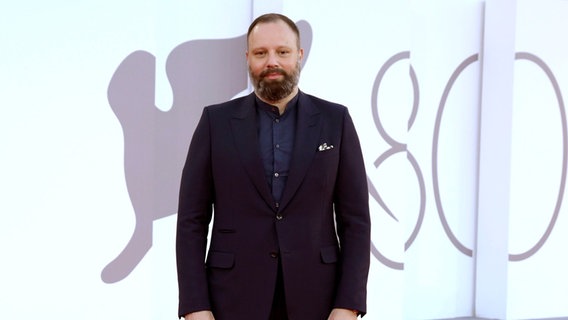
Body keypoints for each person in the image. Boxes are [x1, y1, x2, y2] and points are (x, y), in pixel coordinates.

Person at [176, 13, 371, 320]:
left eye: (282, 52)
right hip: (232, 300)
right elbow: (191, 221)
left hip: (318, 300)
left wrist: (348, 305)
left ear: (299, 55)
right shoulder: (216, 122)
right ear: (247, 58)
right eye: (260, 53)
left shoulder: (336, 121)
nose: (272, 62)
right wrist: (195, 307)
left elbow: (356, 221)